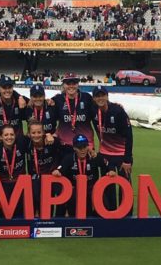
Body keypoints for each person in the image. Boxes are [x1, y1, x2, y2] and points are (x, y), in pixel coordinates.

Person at [92, 85, 133, 216]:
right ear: (94, 98)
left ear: (107, 96)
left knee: (124, 185)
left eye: (102, 95)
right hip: (105, 154)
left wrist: (127, 159)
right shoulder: (93, 111)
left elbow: (129, 136)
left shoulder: (118, 111)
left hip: (121, 155)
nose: (100, 98)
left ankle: (126, 214)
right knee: (107, 184)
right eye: (97, 96)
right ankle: (109, 211)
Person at [53, 134, 107, 217]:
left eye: (84, 147)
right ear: (74, 148)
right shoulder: (69, 158)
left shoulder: (94, 157)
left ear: (88, 146)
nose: (82, 150)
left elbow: (107, 164)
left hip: (91, 190)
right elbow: (60, 168)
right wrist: (58, 171)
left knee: (103, 202)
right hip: (75, 191)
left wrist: (111, 171)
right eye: (79, 148)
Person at [0, 124, 29, 217]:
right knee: (4, 214)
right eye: (6, 135)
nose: (9, 137)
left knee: (20, 213)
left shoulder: (22, 144)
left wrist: (48, 136)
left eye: (12, 134)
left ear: (15, 136)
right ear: (1, 137)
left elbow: (36, 139)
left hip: (20, 184)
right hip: (3, 185)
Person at [51, 72, 95, 156]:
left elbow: (100, 103)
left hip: (85, 144)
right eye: (68, 83)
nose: (71, 86)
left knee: (86, 168)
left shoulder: (87, 97)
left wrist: (115, 105)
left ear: (78, 84)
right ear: (63, 85)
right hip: (65, 144)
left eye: (74, 83)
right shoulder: (58, 99)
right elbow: (43, 104)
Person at [26, 119, 60, 215]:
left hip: (50, 178)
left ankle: (48, 225)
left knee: (48, 205)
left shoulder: (52, 142)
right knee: (34, 200)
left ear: (44, 132)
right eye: (33, 132)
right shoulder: (26, 144)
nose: (36, 135)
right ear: (29, 134)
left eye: (39, 132)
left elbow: (67, 152)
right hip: (35, 178)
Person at [0, 75, 26, 144]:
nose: (7, 90)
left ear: (13, 88)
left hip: (17, 139)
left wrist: (49, 101)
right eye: (4, 88)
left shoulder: (21, 100)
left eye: (9, 87)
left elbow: (34, 102)